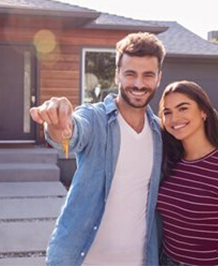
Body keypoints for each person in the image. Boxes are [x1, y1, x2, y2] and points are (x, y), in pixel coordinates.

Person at [30, 32, 166, 265]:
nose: (139, 84)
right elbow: (72, 133)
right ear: (117, 75)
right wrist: (58, 123)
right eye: (130, 74)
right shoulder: (96, 119)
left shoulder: (160, 132)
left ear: (159, 78)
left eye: (148, 75)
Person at [157, 80, 218, 265]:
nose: (174, 118)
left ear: (204, 112)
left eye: (183, 108)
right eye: (167, 112)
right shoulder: (169, 162)